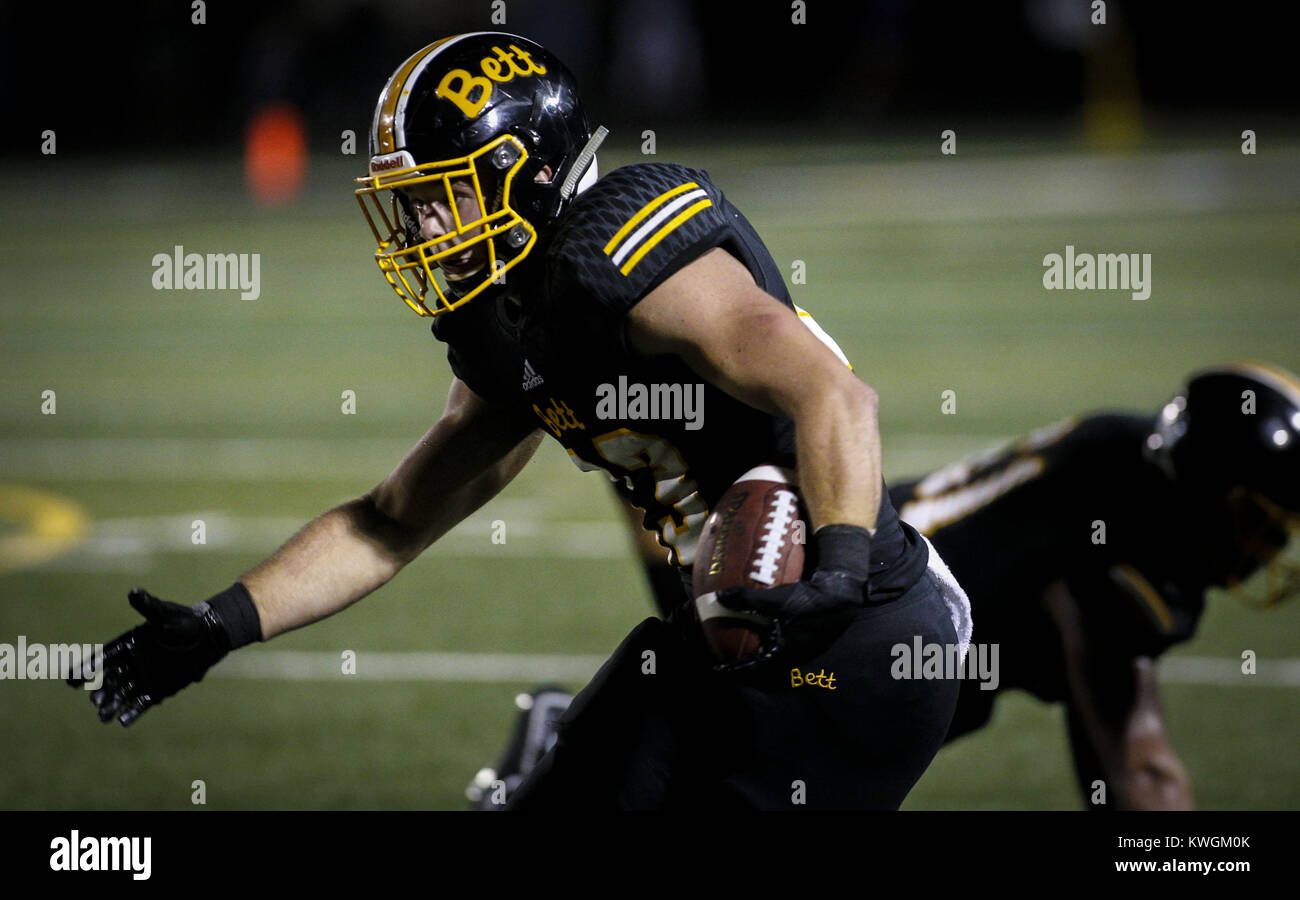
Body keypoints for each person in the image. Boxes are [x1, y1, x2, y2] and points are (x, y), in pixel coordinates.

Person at [67, 31, 970, 811]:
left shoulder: (621, 252)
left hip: (855, 638)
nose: (416, 225)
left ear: (521, 173)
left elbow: (835, 394)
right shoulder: (510, 325)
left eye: (435, 194)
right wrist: (221, 624)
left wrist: (843, 568)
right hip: (719, 632)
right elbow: (390, 521)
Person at [606, 360, 1297, 809]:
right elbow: (1138, 769)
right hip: (852, 631)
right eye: (1258, 523)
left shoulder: (1128, 453)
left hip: (875, 582)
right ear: (1204, 488)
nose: (1267, 550)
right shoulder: (1126, 519)